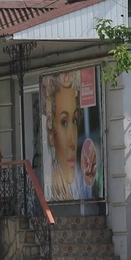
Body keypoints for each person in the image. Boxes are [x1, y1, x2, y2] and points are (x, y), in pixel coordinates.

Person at [44, 72, 95, 202]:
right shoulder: (47, 186)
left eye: (75, 121)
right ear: (51, 135)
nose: (73, 142)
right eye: (64, 123)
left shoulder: (84, 183)